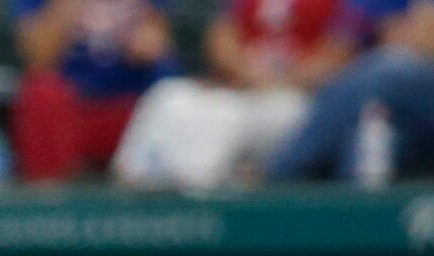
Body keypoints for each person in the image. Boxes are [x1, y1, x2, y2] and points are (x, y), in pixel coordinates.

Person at [112, 0, 364, 186]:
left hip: (304, 100)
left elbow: (339, 54)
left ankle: (194, 203)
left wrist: (279, 80)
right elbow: (221, 36)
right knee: (170, 95)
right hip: (246, 87)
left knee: (226, 115)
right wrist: (245, 72)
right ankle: (130, 192)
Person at [265, 0, 434, 178]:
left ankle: (280, 174)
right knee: (369, 131)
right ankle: (356, 244)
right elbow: (427, 33)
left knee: (387, 69)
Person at [12, 0, 177, 179]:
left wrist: (143, 38)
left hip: (130, 104)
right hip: (72, 107)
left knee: (173, 97)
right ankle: (49, 201)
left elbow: (157, 45)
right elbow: (39, 57)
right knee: (42, 91)